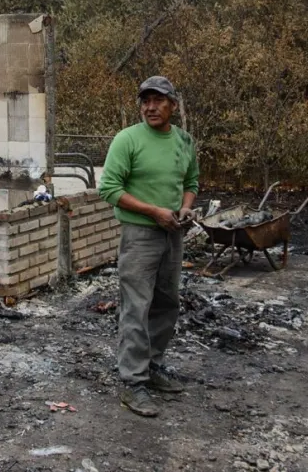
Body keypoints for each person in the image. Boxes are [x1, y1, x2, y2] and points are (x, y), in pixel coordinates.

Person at [98, 76, 199, 417]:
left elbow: (191, 182)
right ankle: (132, 382)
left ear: (172, 104)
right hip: (140, 234)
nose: (151, 107)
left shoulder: (184, 141)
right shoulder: (127, 139)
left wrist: (185, 208)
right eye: (146, 101)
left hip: (173, 233)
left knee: (166, 303)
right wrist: (153, 212)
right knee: (136, 308)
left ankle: (153, 367)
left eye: (158, 100)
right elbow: (109, 188)